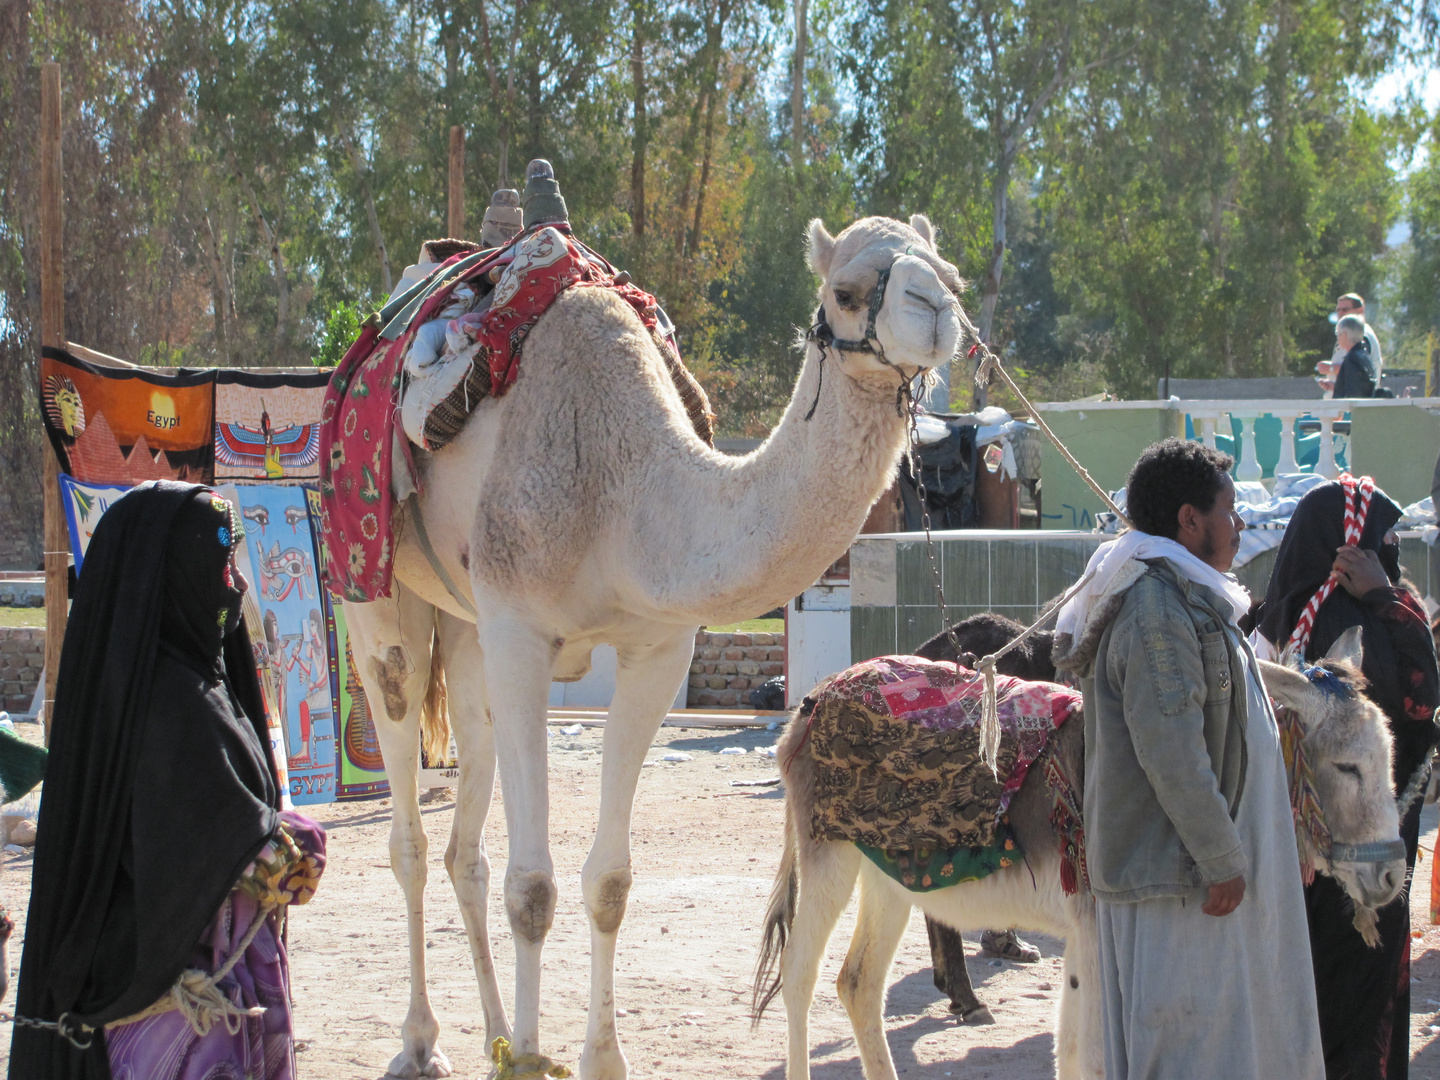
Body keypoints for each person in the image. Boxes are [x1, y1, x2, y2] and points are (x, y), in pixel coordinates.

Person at [9, 482, 326, 1080]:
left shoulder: (186, 687)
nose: (235, 583)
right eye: (220, 563)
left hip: (211, 998)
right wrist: (292, 845)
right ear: (171, 573)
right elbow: (217, 849)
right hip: (175, 1017)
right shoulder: (168, 704)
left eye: (234, 562)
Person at [1051, 438, 1323, 1079]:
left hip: (1195, 877)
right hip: (1178, 882)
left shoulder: (1186, 595)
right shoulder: (1156, 611)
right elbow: (1171, 751)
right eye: (1229, 513)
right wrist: (1222, 858)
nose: (1238, 527)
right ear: (1188, 520)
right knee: (1186, 1051)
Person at [1253, 478, 1439, 1079]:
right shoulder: (1348, 618)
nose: (1395, 551)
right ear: (1349, 543)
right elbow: (1419, 700)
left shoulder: (1278, 608)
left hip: (1301, 845)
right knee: (1362, 988)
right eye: (1384, 539)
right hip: (1366, 838)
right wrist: (1387, 598)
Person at [1326, 314, 1376, 398]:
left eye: (1338, 333)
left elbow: (1352, 395)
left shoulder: (1352, 359)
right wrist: (1337, 387)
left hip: (1354, 410)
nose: (1337, 337)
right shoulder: (1364, 356)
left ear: (1344, 334)